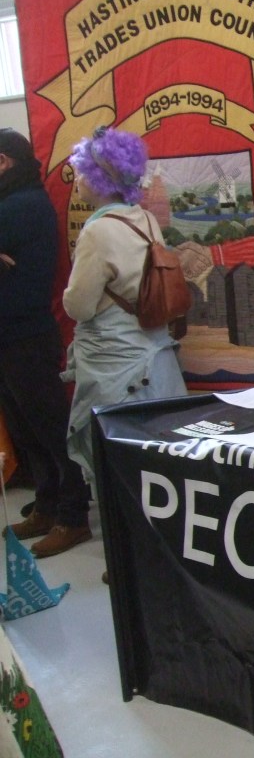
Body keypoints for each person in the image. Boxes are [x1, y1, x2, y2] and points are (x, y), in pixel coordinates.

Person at [60, 126, 187, 507]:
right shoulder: (144, 219)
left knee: (116, 462)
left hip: (114, 365)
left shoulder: (97, 232)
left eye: (82, 173)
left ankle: (122, 540)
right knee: (155, 458)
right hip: (155, 359)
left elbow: (79, 306)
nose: (78, 181)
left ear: (99, 179)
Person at [0, 128, 93, 558]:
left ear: (4, 162)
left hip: (27, 337)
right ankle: (46, 504)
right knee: (26, 430)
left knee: (50, 430)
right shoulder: (15, 200)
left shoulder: (22, 205)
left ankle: (73, 517)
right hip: (11, 336)